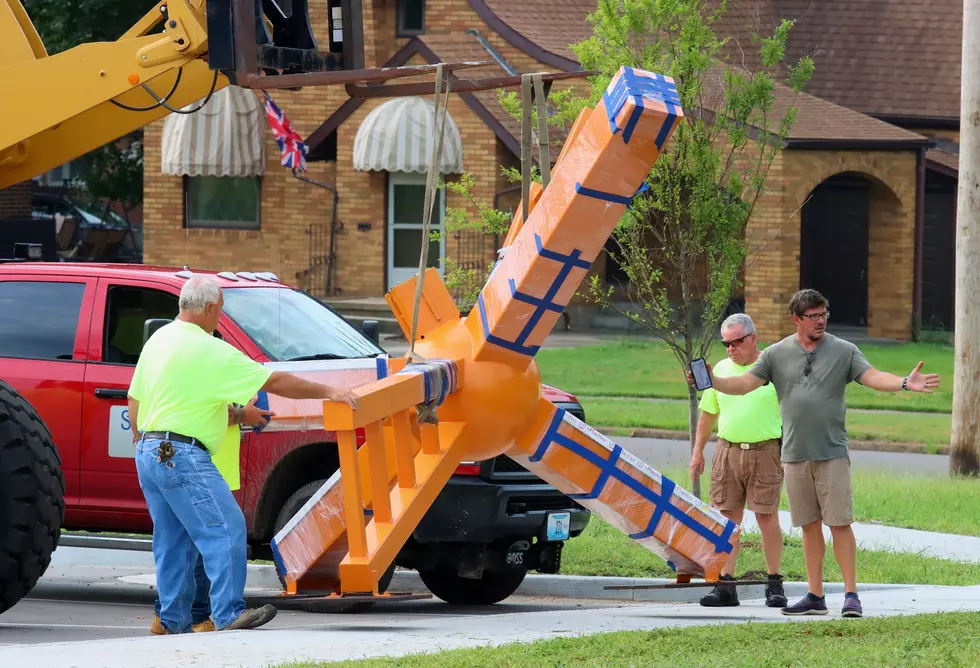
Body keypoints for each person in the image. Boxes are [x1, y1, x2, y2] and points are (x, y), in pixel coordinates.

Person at [128, 276, 360, 634]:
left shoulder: (159, 340)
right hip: (182, 453)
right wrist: (331, 391)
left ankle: (170, 620)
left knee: (173, 539)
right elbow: (276, 382)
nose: (219, 318)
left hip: (150, 450)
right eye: (219, 311)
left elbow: (135, 398)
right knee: (226, 528)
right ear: (207, 309)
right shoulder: (210, 349)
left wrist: (145, 442)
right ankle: (228, 613)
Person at [689, 289, 939, 619]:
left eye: (824, 315)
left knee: (839, 524)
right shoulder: (777, 354)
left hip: (831, 453)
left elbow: (872, 377)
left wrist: (904, 383)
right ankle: (815, 595)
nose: (820, 321)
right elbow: (745, 384)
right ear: (797, 319)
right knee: (809, 526)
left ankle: (851, 596)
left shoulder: (843, 351)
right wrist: (713, 382)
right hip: (793, 455)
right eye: (813, 316)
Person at [690, 313, 786, 608]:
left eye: (737, 342)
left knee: (766, 516)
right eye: (726, 344)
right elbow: (708, 415)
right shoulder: (720, 370)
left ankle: (774, 583)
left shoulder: (772, 369)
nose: (731, 349)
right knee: (727, 518)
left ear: (753, 338)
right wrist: (697, 452)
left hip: (766, 450)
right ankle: (726, 585)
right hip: (728, 450)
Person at [146, 406, 266, 635]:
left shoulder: (162, 371)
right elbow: (208, 411)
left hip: (190, 459)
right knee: (210, 539)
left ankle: (170, 617)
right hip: (199, 463)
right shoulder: (212, 372)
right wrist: (244, 415)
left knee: (176, 541)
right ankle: (204, 615)